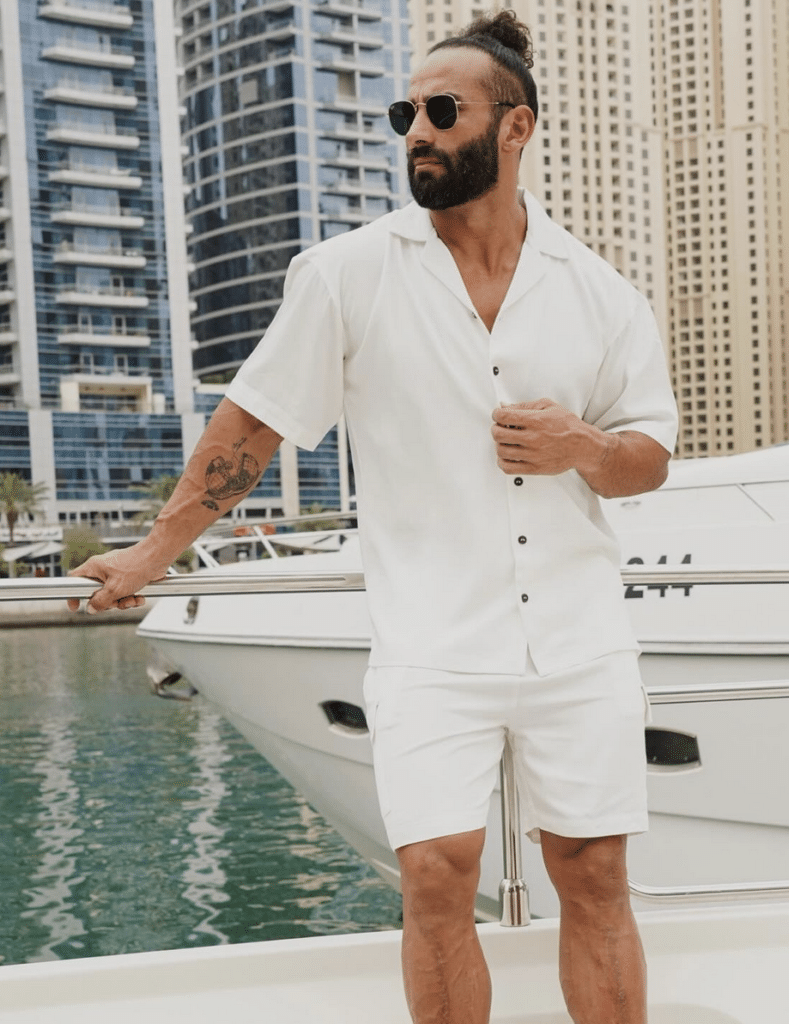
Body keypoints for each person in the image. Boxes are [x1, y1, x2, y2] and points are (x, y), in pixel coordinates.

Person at [71, 12, 678, 1023]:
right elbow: (252, 427)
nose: (416, 134)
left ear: (516, 126)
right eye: (405, 114)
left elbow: (646, 462)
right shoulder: (347, 274)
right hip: (430, 644)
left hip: (578, 641)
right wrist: (148, 550)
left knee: (594, 873)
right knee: (437, 876)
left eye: (442, 112)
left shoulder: (599, 293)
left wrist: (583, 447)